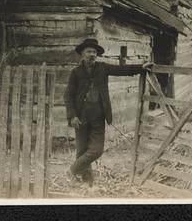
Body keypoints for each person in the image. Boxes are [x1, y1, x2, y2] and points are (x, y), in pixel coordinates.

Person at [64, 38, 153, 186]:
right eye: (89, 51)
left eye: (94, 52)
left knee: (96, 150)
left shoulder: (103, 68)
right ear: (82, 54)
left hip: (98, 116)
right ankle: (88, 184)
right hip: (81, 118)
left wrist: (141, 67)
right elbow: (68, 95)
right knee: (81, 151)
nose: (92, 54)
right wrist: (72, 115)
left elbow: (122, 70)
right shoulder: (75, 73)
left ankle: (71, 171)